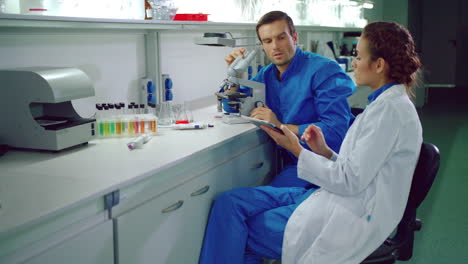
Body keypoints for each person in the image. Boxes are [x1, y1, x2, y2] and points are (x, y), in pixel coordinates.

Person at [199, 21, 422, 264]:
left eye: (358, 56)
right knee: (229, 203)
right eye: (267, 40)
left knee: (240, 232)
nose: (354, 63)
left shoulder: (388, 112)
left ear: (379, 65)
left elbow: (350, 179)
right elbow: (356, 168)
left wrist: (296, 147)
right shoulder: (383, 105)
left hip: (352, 213)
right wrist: (324, 151)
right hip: (330, 188)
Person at [224, 11, 355, 188]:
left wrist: (280, 126)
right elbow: (233, 104)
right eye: (268, 41)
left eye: (281, 37)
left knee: (242, 205)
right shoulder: (267, 74)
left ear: (294, 37)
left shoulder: (323, 70)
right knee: (234, 202)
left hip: (330, 166)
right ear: (262, 45)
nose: (275, 46)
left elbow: (335, 132)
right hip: (296, 165)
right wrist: (235, 75)